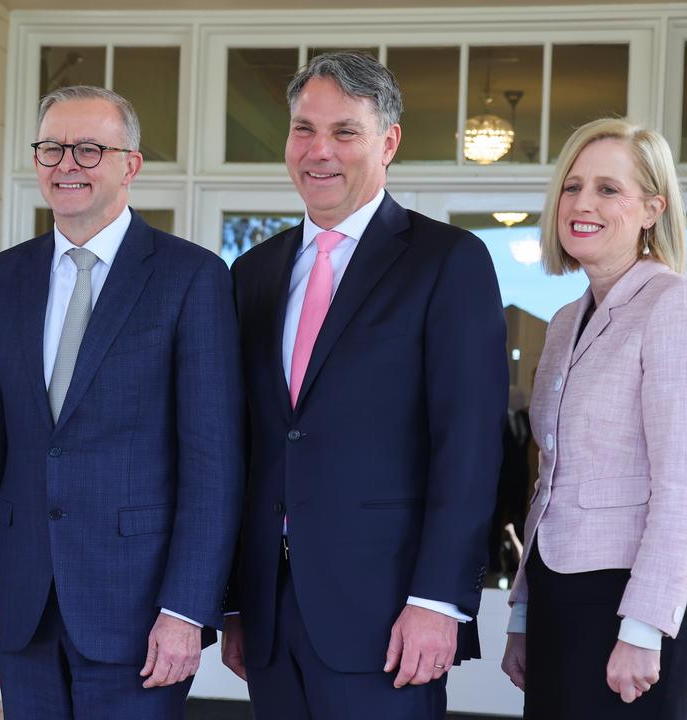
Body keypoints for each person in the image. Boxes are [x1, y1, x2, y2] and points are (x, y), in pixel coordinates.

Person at [222, 52, 507, 720]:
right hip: (269, 611)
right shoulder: (253, 273)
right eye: (303, 130)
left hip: (389, 616)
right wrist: (236, 599)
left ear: (389, 141)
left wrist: (438, 602)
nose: (319, 151)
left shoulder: (447, 262)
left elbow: (467, 446)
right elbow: (245, 444)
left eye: (344, 131)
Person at [0, 85, 245, 719]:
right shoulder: (4, 277)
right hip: (22, 605)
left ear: (130, 165)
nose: (67, 165)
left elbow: (213, 462)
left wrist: (186, 610)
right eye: (52, 148)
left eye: (89, 149)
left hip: (140, 610)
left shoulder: (191, 277)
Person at [500, 118, 687, 720]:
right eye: (572, 187)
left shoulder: (678, 304)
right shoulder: (566, 321)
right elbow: (550, 482)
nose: (582, 204)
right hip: (559, 591)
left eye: (607, 189)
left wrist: (644, 627)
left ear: (652, 208)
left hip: (633, 597)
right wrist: (523, 611)